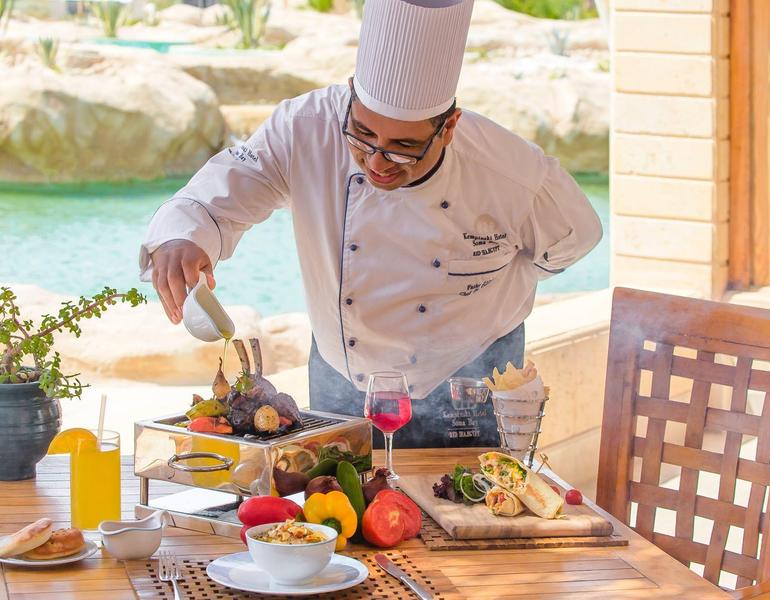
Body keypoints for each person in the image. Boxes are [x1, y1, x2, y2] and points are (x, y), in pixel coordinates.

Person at [140, 0, 602, 449]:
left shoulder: (510, 170)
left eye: (403, 146)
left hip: (467, 380)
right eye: (362, 135)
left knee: (472, 507)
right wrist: (184, 235)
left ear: (449, 126)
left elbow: (574, 240)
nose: (377, 161)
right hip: (344, 376)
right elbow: (220, 194)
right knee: (335, 509)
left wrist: (490, 287)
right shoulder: (305, 127)